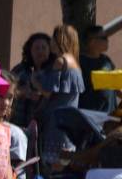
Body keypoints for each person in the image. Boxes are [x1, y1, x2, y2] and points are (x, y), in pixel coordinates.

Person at [33, 25, 84, 169]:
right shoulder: (75, 62)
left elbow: (49, 92)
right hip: (69, 121)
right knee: (66, 163)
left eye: (53, 39)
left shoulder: (60, 61)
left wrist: (35, 82)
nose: (50, 43)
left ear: (60, 40)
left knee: (54, 168)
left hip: (56, 123)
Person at [10, 32, 53, 128]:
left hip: (44, 125)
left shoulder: (53, 72)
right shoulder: (19, 70)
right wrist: (21, 92)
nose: (40, 51)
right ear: (30, 51)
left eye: (44, 48)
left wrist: (41, 96)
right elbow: (6, 89)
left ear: (50, 50)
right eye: (37, 48)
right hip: (18, 122)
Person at [78, 25, 116, 113]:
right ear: (92, 41)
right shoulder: (80, 62)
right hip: (92, 119)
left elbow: (116, 86)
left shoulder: (106, 60)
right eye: (104, 38)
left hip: (111, 118)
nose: (107, 40)